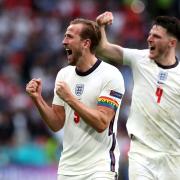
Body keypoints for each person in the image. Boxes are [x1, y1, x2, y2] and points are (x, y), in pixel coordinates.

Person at [26, 18, 125, 180]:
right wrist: (38, 99)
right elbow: (56, 123)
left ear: (86, 43)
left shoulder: (110, 75)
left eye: (69, 37)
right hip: (68, 168)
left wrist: (70, 99)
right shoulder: (64, 75)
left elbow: (101, 122)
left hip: (99, 168)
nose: (64, 42)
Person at [96, 12, 180, 180]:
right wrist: (100, 27)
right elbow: (102, 48)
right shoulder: (139, 58)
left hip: (173, 155)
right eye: (150, 34)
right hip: (142, 153)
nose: (149, 39)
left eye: (156, 36)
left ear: (171, 43)